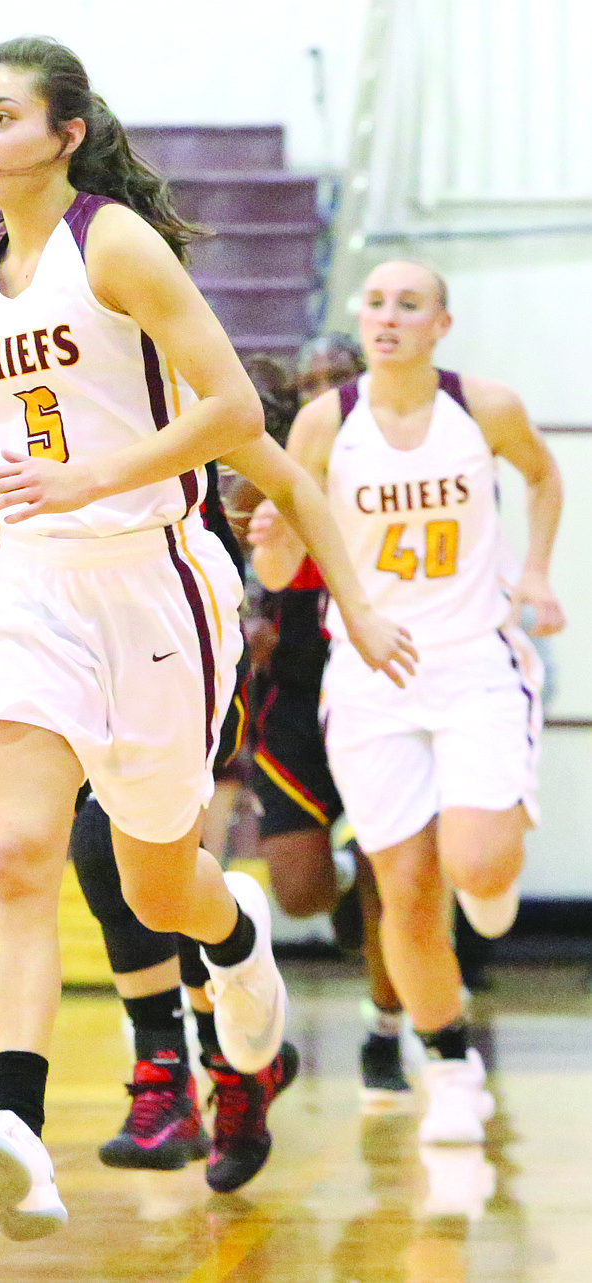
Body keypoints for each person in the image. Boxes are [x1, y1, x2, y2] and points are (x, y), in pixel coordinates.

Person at [0, 37, 414, 1240]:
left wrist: (88, 478)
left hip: (158, 584)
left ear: (66, 133)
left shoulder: (111, 242)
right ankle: (18, 1126)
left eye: (2, 115)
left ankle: (236, 935)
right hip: (36, 590)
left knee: (155, 881)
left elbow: (229, 412)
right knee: (17, 854)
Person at [250, 261, 564, 1145]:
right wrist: (273, 542)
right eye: (377, 303)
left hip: (473, 664)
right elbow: (280, 571)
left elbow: (543, 479)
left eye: (408, 304)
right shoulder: (323, 423)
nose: (388, 318)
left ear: (441, 324)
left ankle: (492, 883)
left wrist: (534, 569)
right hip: (370, 678)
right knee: (407, 889)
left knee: (478, 863)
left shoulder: (484, 407)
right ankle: (450, 1066)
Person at [0, 474, 298, 1197]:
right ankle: (161, 1066)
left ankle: (230, 1058)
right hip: (52, 652)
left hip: (175, 646)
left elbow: (268, 508)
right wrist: (16, 604)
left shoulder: (156, 415)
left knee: (152, 872)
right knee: (79, 850)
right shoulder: (10, 438)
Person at [247, 334, 412, 1101]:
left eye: (337, 377)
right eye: (311, 381)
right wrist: (249, 614)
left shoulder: (403, 459)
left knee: (395, 869)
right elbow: (242, 559)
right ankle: (340, 884)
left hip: (380, 681)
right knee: (299, 889)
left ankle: (386, 1031)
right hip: (293, 692)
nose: (324, 391)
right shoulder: (273, 465)